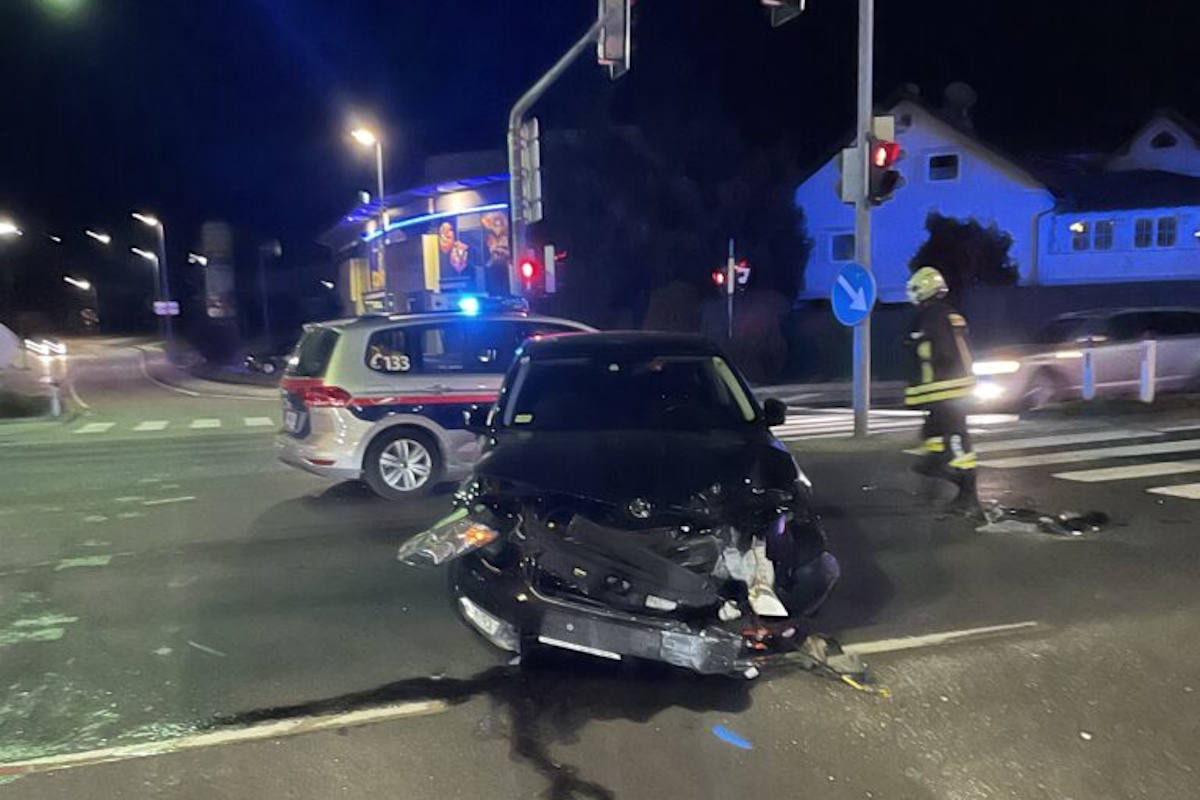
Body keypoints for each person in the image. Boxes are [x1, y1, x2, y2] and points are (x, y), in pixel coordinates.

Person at [904, 266, 982, 519]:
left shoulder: (930, 317)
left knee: (959, 445)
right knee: (933, 435)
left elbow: (933, 356)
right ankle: (936, 474)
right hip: (951, 391)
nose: (913, 295)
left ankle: (968, 497)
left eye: (915, 289)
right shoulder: (950, 314)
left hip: (945, 391)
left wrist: (916, 390)